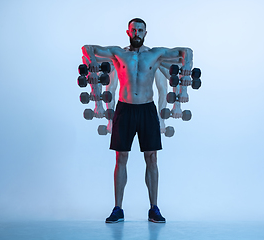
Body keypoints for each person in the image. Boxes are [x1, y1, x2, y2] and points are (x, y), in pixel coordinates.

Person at [82, 18, 193, 223]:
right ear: (128, 32)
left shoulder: (155, 54)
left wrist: (186, 72)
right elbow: (87, 48)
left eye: (140, 30)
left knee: (151, 158)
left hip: (147, 110)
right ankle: (117, 209)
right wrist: (92, 64)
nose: (137, 33)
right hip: (125, 109)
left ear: (145, 33)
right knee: (121, 158)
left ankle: (154, 208)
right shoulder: (118, 53)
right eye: (133, 30)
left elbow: (187, 51)